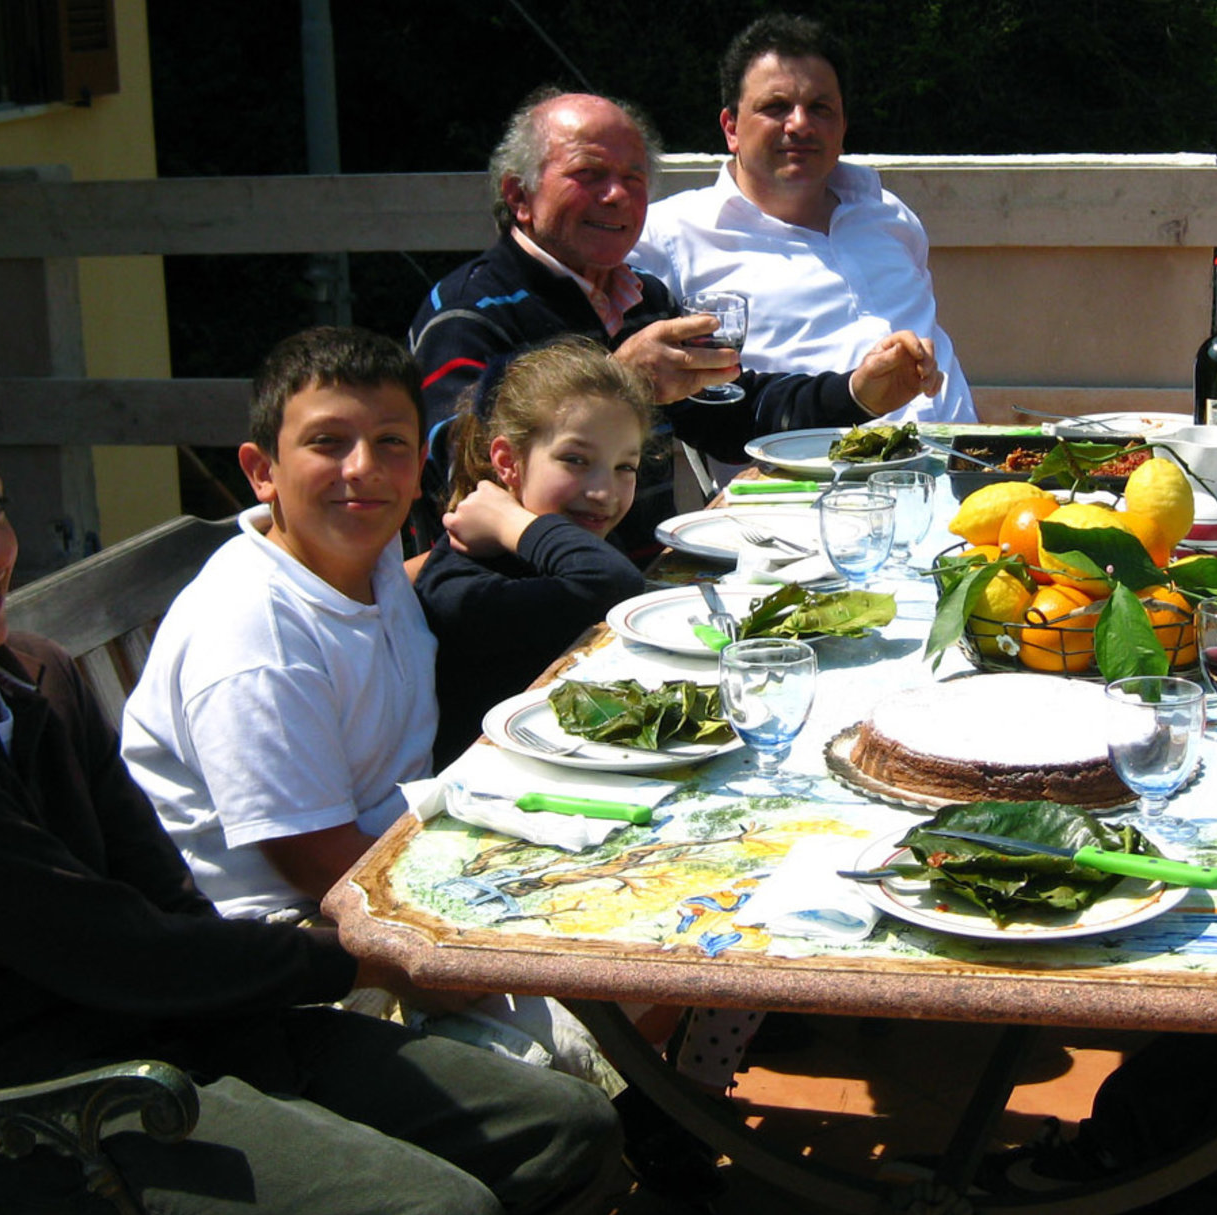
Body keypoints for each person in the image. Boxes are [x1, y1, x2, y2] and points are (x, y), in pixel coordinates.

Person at [0, 366, 619, 1215]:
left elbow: (155, 894)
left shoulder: (28, 675)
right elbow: (108, 952)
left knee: (568, 1138)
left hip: (165, 1036)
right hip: (37, 1127)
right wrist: (352, 959)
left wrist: (277, 1045)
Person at [120, 328, 614, 1085]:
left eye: (390, 444)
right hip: (304, 957)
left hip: (400, 864)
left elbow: (408, 584)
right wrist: (465, 938)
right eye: (327, 442)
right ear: (263, 471)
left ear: (421, 468)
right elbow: (309, 859)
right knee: (621, 981)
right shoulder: (254, 637)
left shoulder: (362, 555)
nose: (363, 470)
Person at [410, 89, 940, 550]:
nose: (616, 196)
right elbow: (462, 478)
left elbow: (731, 411)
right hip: (524, 612)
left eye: (633, 178)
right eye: (588, 175)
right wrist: (622, 382)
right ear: (518, 196)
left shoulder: (638, 296)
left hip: (635, 588)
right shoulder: (465, 312)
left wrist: (857, 393)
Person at [630, 12, 975, 424]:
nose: (800, 124)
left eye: (820, 108)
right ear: (731, 128)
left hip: (967, 469)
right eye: (776, 107)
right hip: (810, 483)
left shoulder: (888, 215)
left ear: (843, 126)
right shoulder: (670, 236)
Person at [414, 337, 651, 768]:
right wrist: (513, 524)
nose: (603, 492)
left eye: (625, 467)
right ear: (508, 462)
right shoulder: (461, 583)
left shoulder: (577, 537)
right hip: (492, 795)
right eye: (575, 460)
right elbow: (614, 584)